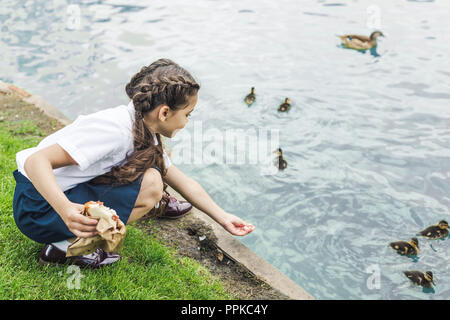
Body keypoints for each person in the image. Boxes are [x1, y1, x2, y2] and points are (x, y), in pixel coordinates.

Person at [12, 58, 255, 268]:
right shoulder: (116, 131)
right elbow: (36, 161)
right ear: (164, 113)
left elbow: (180, 179)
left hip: (43, 198)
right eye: (188, 114)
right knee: (151, 185)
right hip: (36, 209)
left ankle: (69, 238)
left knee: (155, 173)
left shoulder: (141, 123)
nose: (187, 122)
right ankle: (65, 247)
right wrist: (65, 209)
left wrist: (223, 217)